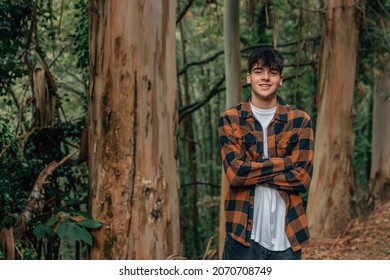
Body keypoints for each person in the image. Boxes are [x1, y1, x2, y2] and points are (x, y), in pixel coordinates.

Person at [218, 46, 314, 260]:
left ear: (281, 79)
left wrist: (252, 170)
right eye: (259, 71)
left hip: (288, 235)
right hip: (241, 233)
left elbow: (302, 179)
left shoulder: (300, 120)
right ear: (248, 77)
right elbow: (235, 174)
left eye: (272, 72)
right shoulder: (230, 118)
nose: (265, 78)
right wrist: (288, 162)